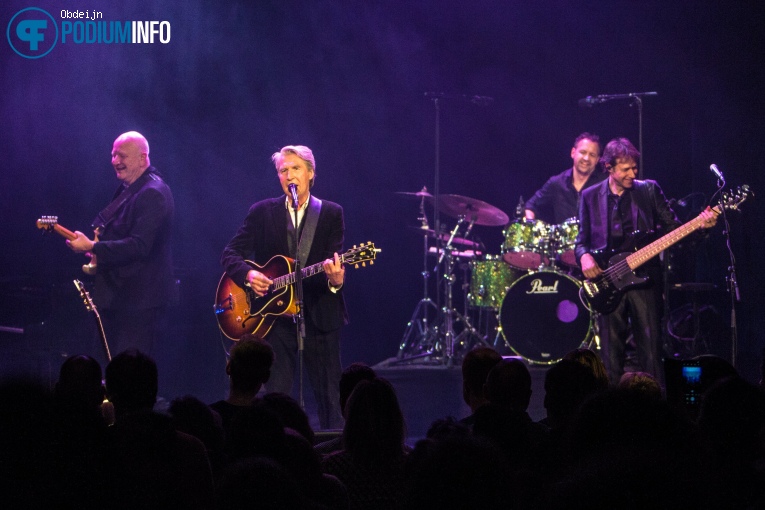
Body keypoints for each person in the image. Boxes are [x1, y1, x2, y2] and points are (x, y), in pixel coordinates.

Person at [221, 145, 348, 429]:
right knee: (274, 401)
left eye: (296, 168)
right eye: (283, 170)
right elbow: (230, 253)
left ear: (311, 174)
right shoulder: (262, 212)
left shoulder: (330, 213)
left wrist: (336, 281)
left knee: (331, 401)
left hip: (319, 319)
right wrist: (248, 276)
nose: (289, 175)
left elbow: (333, 262)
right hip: (275, 323)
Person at [575, 138, 717, 384]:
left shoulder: (648, 190)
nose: (634, 173)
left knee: (651, 356)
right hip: (608, 283)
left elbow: (677, 232)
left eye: (635, 167)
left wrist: (701, 227)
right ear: (609, 167)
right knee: (609, 360)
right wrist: (584, 256)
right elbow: (581, 241)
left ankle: (656, 412)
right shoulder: (589, 197)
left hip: (645, 281)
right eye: (626, 169)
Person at [67, 131, 175, 359]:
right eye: (113, 155)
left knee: (129, 374)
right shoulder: (131, 189)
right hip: (120, 298)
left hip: (138, 302)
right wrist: (96, 249)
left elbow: (139, 246)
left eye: (122, 156)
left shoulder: (153, 193)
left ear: (143, 158)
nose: (115, 161)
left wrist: (94, 248)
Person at [524, 132, 605, 225]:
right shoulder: (557, 183)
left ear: (597, 160)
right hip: (564, 239)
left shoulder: (604, 184)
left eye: (592, 155)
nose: (586, 158)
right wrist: (530, 223)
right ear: (573, 153)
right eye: (583, 152)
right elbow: (531, 205)